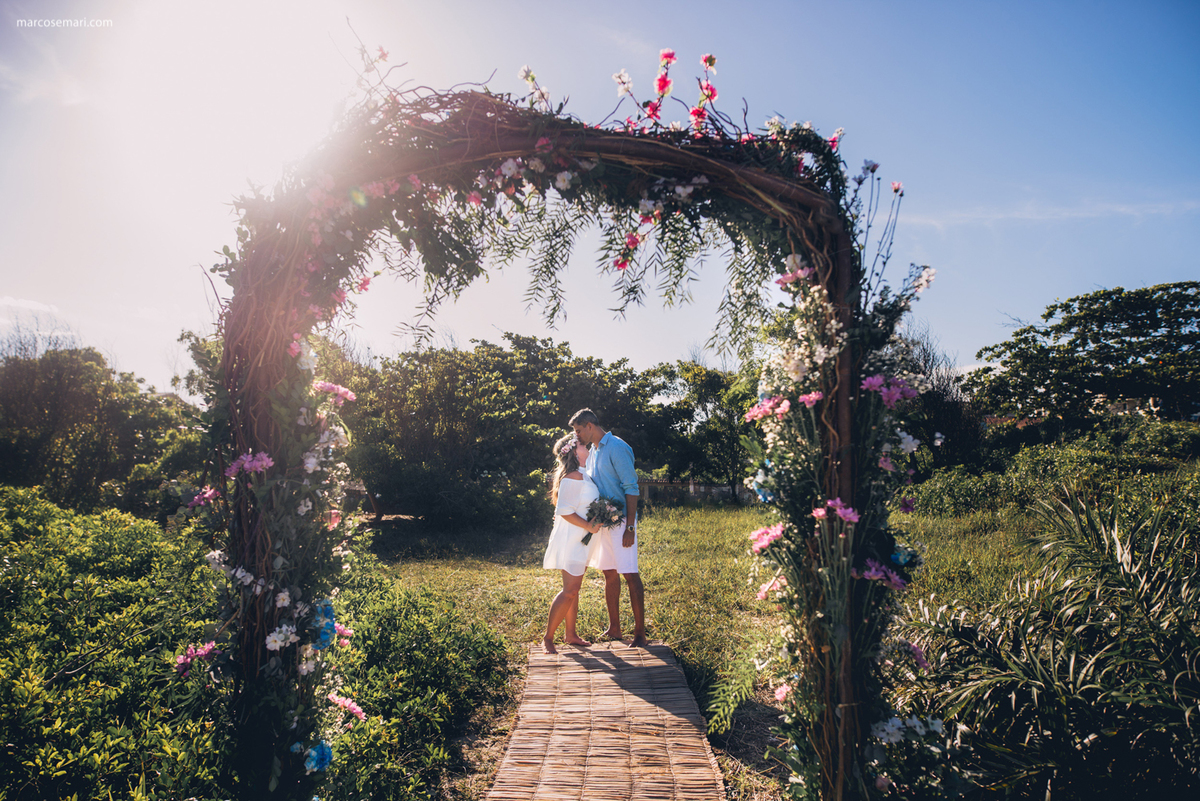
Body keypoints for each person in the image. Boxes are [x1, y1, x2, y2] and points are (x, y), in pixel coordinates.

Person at [570, 408, 648, 648]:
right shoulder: (593, 452)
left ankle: (639, 633)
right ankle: (615, 628)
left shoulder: (616, 447)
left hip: (623, 522)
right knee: (609, 573)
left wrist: (630, 528)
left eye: (579, 430)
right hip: (604, 523)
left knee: (630, 573)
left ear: (590, 426)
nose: (577, 436)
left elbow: (631, 487)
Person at [541, 431, 605, 654]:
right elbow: (564, 511)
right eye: (581, 444)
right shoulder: (572, 477)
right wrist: (588, 526)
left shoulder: (583, 474)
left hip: (582, 540)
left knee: (574, 589)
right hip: (573, 539)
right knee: (570, 590)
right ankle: (548, 638)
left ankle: (571, 634)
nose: (585, 445)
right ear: (573, 452)